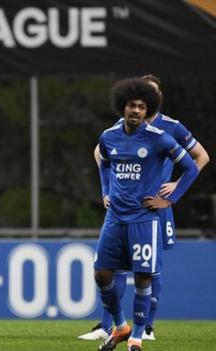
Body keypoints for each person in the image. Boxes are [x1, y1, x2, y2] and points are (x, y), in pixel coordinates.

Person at [81, 75, 209, 342]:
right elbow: (101, 156)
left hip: (152, 206)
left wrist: (173, 191)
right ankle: (111, 325)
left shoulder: (168, 130)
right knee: (110, 270)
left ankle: (146, 328)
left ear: (154, 100)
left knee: (150, 269)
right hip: (120, 210)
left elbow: (200, 158)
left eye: (145, 101)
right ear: (125, 104)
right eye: (133, 103)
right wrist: (106, 192)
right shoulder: (114, 131)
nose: (138, 109)